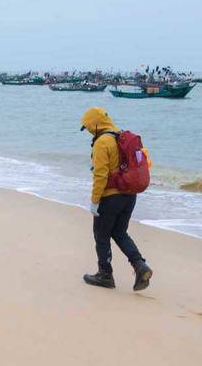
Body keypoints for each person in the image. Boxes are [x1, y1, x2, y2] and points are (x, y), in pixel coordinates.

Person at [79, 107, 153, 291]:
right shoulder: (121, 137)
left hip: (111, 197)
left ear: (95, 124)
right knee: (120, 232)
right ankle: (140, 265)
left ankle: (105, 275)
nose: (88, 131)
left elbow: (100, 175)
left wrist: (95, 201)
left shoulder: (102, 142)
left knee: (101, 235)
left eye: (88, 127)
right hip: (129, 195)